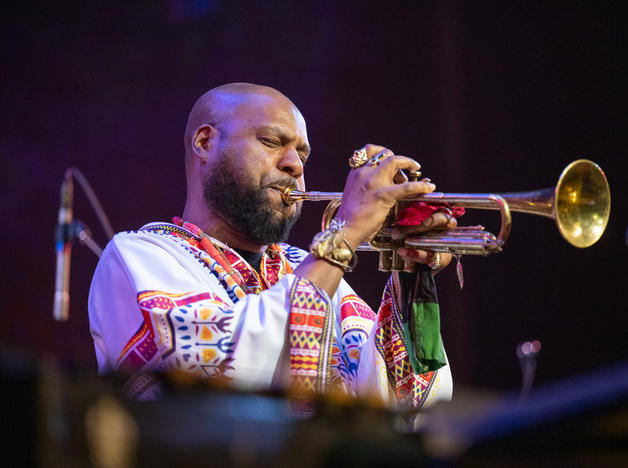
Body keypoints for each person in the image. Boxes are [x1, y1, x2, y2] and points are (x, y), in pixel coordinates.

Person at [88, 83, 455, 413]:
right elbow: (210, 374)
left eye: (302, 154)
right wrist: (345, 233)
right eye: (271, 141)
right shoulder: (139, 254)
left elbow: (407, 404)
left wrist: (410, 276)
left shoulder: (312, 269)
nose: (294, 165)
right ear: (205, 142)